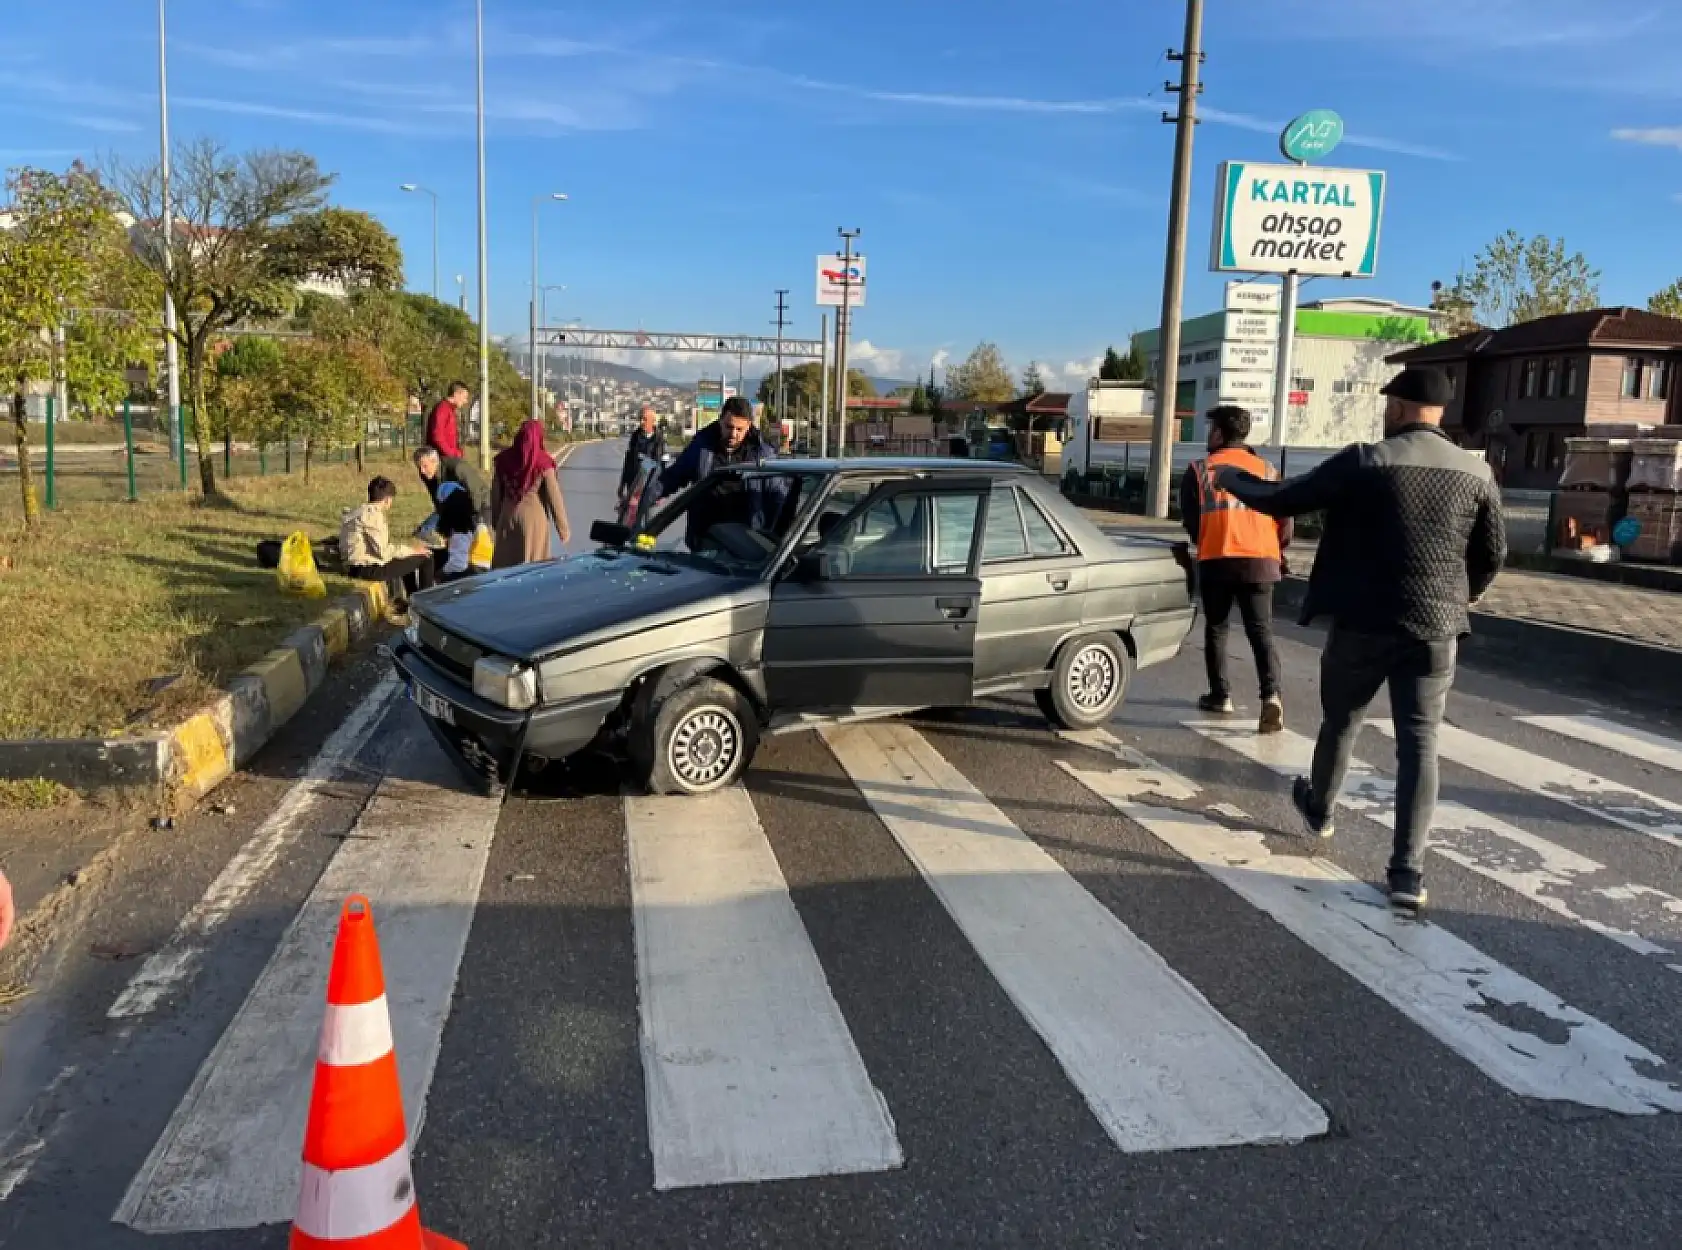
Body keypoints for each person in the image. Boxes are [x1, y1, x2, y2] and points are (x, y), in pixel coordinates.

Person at [1213, 365, 1507, 913]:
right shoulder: (1476, 472)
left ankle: (1320, 809)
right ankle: (1406, 873)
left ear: (1398, 408)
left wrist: (1233, 482)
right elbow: (1493, 553)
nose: (1385, 412)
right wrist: (1464, 596)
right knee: (1421, 744)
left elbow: (1285, 498)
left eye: (1388, 403)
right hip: (1437, 628)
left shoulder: (1365, 462)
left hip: (1362, 622)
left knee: (1341, 721)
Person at [1180, 405, 1292, 734]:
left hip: (1218, 558)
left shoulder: (1200, 470)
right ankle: (1271, 695)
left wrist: (1208, 539)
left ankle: (1221, 695)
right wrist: (1276, 551)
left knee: (1217, 628)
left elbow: (1191, 520)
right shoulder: (1268, 469)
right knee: (1262, 632)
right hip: (1261, 560)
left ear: (1219, 433)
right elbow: (1285, 521)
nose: (1207, 434)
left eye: (1210, 428)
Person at [659, 396, 785, 551]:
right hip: (705, 540)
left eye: (740, 429)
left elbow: (778, 498)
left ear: (749, 426)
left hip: (747, 544)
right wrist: (648, 494)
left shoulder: (762, 454)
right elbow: (673, 477)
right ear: (720, 421)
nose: (733, 434)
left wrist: (772, 540)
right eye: (729, 427)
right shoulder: (702, 447)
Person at [341, 476, 437, 605]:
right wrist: (412, 550)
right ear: (387, 499)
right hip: (365, 568)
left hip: (356, 565)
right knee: (426, 558)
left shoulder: (359, 511)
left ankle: (412, 600)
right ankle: (426, 603)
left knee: (407, 556)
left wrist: (409, 552)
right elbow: (383, 552)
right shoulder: (373, 516)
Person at [490, 418, 571, 568]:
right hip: (533, 520)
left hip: (508, 517)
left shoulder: (503, 460)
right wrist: (563, 529)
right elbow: (555, 498)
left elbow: (495, 493)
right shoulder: (543, 462)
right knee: (531, 568)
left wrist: (496, 520)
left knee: (505, 568)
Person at [620, 405, 667, 501]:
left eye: (644, 419)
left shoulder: (659, 439)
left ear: (653, 421)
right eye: (640, 419)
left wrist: (662, 491)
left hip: (649, 487)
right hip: (633, 484)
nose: (641, 422)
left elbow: (659, 464)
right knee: (629, 512)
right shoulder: (635, 436)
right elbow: (628, 461)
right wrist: (622, 484)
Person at [425, 382, 471, 461]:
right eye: (465, 397)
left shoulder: (450, 410)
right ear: (456, 394)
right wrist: (453, 454)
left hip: (445, 458)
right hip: (440, 460)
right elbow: (438, 437)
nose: (465, 401)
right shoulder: (443, 409)